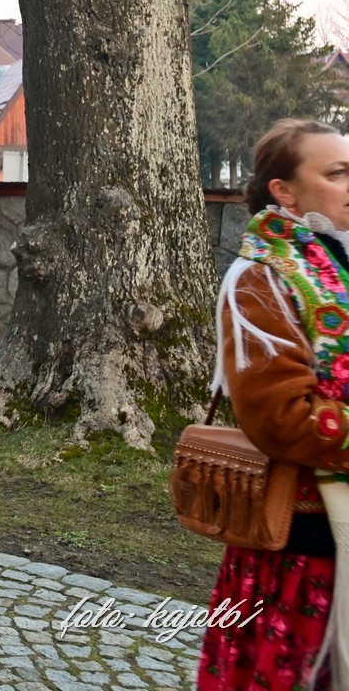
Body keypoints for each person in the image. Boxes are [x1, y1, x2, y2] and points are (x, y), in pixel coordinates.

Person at [198, 118, 349, 691]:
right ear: (284, 191)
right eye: (337, 173)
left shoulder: (341, 262)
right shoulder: (260, 280)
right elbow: (280, 419)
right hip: (304, 548)